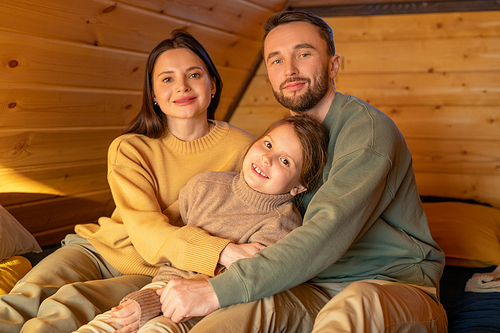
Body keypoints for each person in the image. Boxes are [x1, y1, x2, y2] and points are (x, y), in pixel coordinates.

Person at [150, 10, 449, 333]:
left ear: (333, 65)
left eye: (303, 54)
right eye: (276, 60)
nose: (289, 69)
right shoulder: (280, 143)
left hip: (389, 284)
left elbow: (326, 231)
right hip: (309, 283)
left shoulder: (368, 132)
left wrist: (216, 291)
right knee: (227, 318)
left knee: (351, 309)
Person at [0, 30, 254, 333]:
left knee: (67, 305)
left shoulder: (245, 149)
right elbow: (147, 230)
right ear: (154, 95)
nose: (182, 86)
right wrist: (220, 251)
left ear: (212, 85)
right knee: (24, 296)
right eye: (167, 79)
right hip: (96, 250)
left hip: (156, 271)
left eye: (194, 74)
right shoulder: (131, 147)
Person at [73, 115, 329, 333]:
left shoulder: (283, 227)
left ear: (299, 186)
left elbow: (242, 284)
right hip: (159, 288)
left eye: (285, 161)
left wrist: (153, 304)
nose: (267, 158)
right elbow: (173, 243)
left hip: (209, 308)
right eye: (268, 144)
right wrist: (148, 298)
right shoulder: (205, 186)